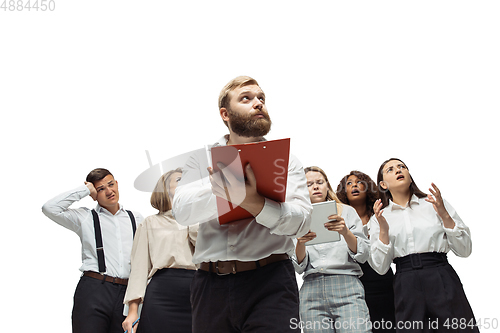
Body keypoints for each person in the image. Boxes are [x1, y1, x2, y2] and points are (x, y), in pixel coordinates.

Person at [172, 76, 313, 332]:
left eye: (261, 98)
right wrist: (227, 187)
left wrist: (255, 203)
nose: (258, 103)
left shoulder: (288, 161)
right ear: (225, 114)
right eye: (246, 98)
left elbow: (302, 222)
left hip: (271, 282)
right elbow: (182, 211)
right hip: (209, 285)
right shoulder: (199, 159)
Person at [370, 158, 478, 332]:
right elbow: (381, 268)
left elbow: (465, 250)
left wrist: (444, 215)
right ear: (383, 184)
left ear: (409, 176)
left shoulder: (434, 204)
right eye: (390, 169)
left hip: (440, 274)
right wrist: (383, 229)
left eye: (402, 167)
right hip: (406, 282)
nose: (398, 170)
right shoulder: (380, 217)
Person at [42, 168, 144, 333]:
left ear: (117, 184)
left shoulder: (137, 218)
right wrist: (85, 190)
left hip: (127, 294)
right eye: (100, 189)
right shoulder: (85, 218)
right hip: (94, 290)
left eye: (111, 185)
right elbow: (49, 208)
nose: (109, 191)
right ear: (94, 194)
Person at [293, 166, 371, 333]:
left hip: (347, 284)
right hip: (311, 290)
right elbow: (298, 267)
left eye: (320, 182)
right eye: (309, 184)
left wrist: (345, 232)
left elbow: (363, 254)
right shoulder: (296, 218)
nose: (315, 186)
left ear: (327, 185)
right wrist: (300, 242)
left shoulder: (347, 212)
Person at [122, 168, 198, 333]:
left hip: (197, 290)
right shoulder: (150, 223)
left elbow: (208, 251)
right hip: (162, 292)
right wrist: (132, 312)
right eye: (179, 180)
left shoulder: (200, 220)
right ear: (164, 188)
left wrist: (192, 214)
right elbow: (139, 270)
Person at [336, 171, 395, 333]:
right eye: (349, 183)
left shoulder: (381, 215)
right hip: (352, 283)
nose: (354, 185)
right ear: (343, 192)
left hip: (382, 281)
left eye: (359, 182)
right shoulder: (338, 220)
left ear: (367, 188)